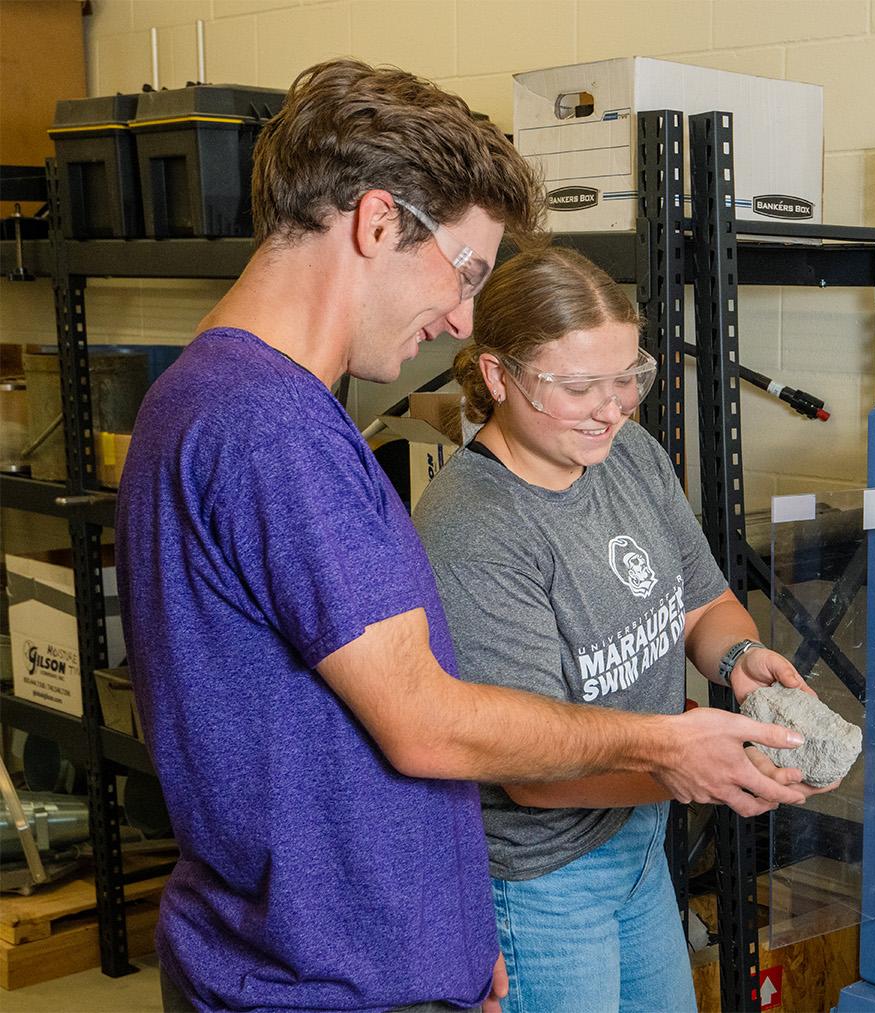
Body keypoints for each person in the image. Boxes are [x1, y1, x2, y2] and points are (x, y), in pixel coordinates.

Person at [115, 59, 809, 1013]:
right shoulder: (270, 429)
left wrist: (447, 931)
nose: (461, 316)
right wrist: (667, 744)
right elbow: (426, 722)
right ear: (377, 222)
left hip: (360, 955)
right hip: (317, 979)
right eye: (468, 270)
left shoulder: (226, 402)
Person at [412, 246, 836, 1011]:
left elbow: (702, 603)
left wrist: (739, 656)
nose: (613, 407)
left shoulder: (628, 456)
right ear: (498, 376)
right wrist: (701, 765)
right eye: (579, 386)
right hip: (541, 878)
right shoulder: (475, 528)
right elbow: (531, 770)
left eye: (626, 378)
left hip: (637, 838)